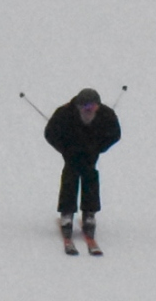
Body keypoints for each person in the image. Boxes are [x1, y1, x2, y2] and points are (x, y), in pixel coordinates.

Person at [43, 88, 121, 245]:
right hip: (71, 153)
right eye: (85, 107)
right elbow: (50, 133)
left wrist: (99, 147)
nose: (88, 111)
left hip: (91, 153)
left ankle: (89, 213)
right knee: (70, 176)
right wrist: (65, 149)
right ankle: (67, 213)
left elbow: (115, 134)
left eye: (93, 107)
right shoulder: (64, 113)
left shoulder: (107, 115)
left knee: (90, 176)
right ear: (78, 106)